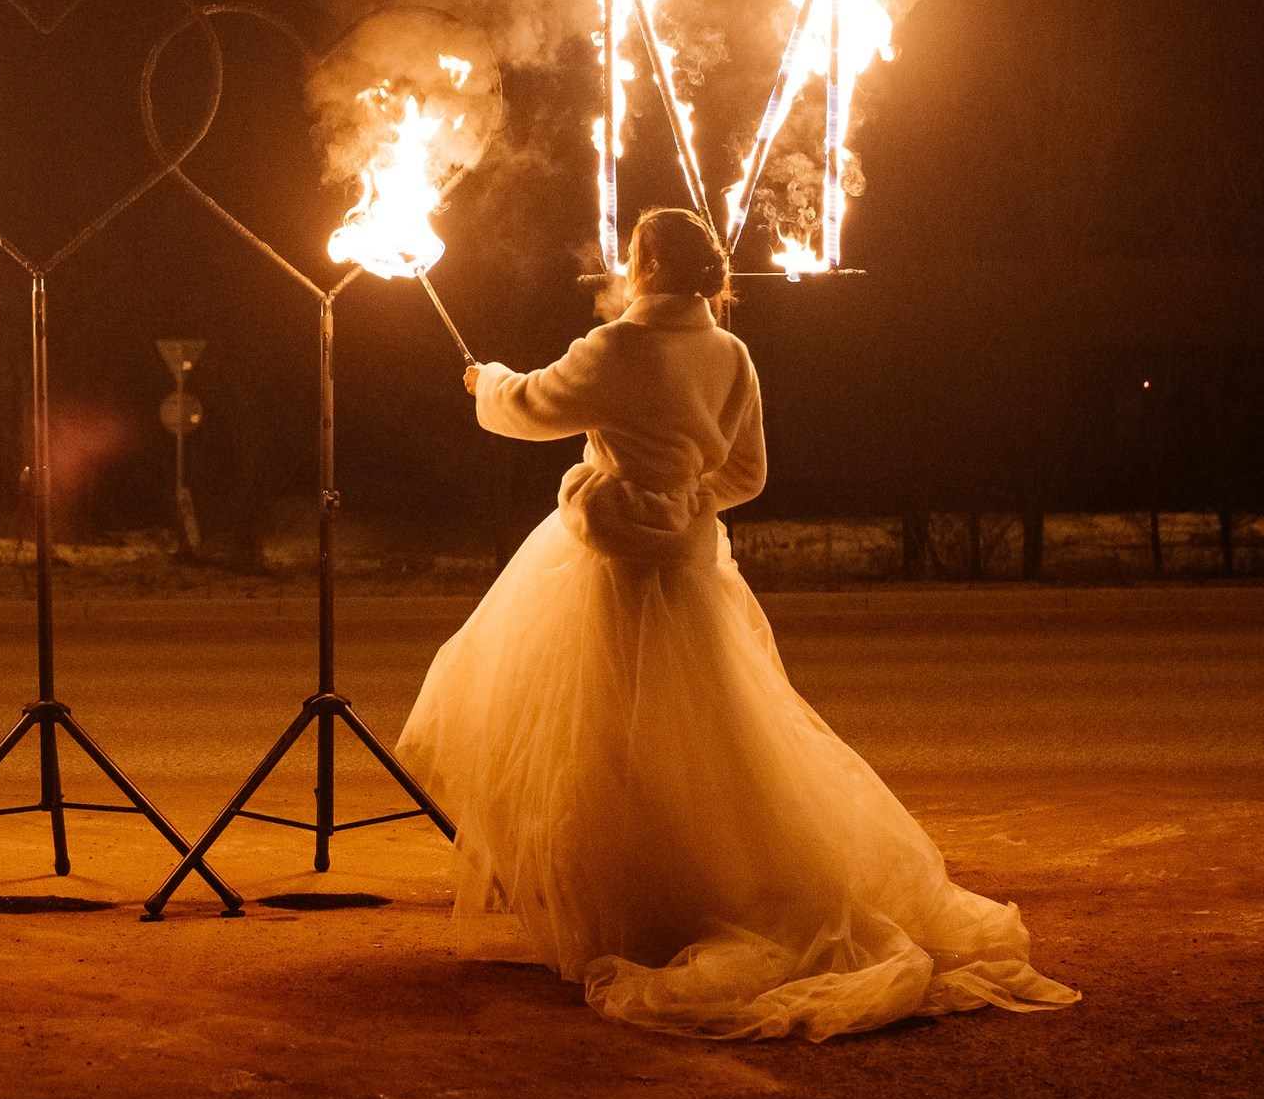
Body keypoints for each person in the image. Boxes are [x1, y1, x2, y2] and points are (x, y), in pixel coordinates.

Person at [395, 208, 1078, 1040]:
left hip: (609, 572)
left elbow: (532, 406)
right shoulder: (731, 353)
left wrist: (486, 382)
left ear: (646, 265)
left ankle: (636, 917)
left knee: (603, 745)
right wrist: (680, 501)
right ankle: (706, 894)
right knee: (705, 746)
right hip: (690, 569)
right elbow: (747, 474)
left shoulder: (614, 347)